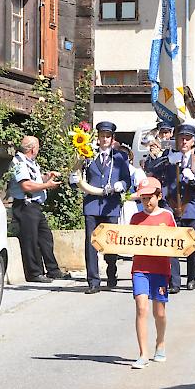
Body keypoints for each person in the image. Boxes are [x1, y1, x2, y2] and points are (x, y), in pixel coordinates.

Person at [155, 124, 195, 293]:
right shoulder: (169, 157)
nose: (184, 141)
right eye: (181, 138)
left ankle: (191, 276)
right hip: (172, 206)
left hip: (191, 206)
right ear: (177, 140)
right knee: (171, 245)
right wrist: (166, 161)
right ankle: (174, 281)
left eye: (187, 138)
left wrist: (194, 178)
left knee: (192, 244)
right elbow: (153, 171)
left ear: (192, 140)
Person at [128, 177, 176, 369]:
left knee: (159, 311)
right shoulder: (135, 218)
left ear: (159, 196)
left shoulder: (167, 217)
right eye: (143, 198)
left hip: (160, 270)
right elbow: (126, 240)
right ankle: (143, 354)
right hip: (139, 268)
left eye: (150, 198)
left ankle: (160, 343)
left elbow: (177, 243)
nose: (147, 202)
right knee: (141, 308)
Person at [78, 121, 131, 294]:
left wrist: (120, 185)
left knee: (110, 243)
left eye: (108, 136)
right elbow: (79, 178)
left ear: (112, 138)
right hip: (92, 205)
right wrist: (73, 181)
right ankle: (93, 281)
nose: (105, 139)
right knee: (91, 244)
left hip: (110, 206)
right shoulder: (88, 155)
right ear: (98, 138)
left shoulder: (120, 158)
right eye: (102, 136)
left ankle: (111, 269)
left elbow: (127, 180)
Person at [8, 136, 67, 283]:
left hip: (34, 206)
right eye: (38, 146)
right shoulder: (19, 162)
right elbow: (26, 186)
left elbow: (33, 179)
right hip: (25, 205)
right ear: (33, 148)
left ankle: (53, 270)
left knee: (45, 237)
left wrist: (46, 177)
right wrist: (47, 186)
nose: (38, 149)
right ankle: (34, 273)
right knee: (31, 241)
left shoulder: (29, 162)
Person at [117, 144, 147, 224]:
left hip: (132, 207)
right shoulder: (113, 173)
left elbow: (142, 193)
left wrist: (125, 197)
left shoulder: (136, 172)